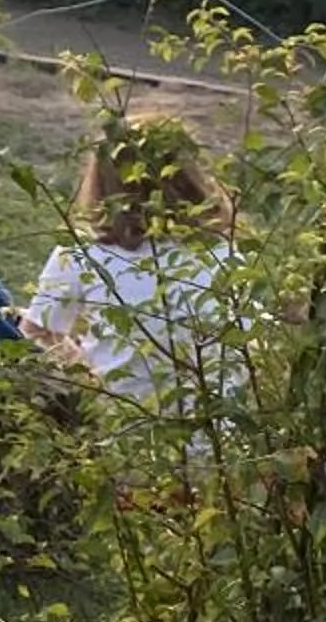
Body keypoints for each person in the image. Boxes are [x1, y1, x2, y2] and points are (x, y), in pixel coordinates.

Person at [18, 117, 239, 406]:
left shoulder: (82, 253)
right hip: (217, 423)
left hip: (119, 420)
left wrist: (88, 373)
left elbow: (38, 331)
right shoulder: (222, 254)